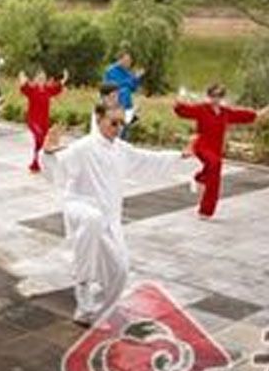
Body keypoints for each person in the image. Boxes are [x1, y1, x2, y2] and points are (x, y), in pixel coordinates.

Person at [42, 102, 193, 326]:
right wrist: (48, 152)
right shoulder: (83, 148)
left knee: (120, 272)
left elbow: (149, 159)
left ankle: (93, 312)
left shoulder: (121, 150)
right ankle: (83, 285)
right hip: (81, 207)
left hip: (109, 219)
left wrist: (180, 156)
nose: (119, 128)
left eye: (122, 123)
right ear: (99, 120)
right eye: (114, 123)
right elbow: (57, 167)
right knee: (92, 220)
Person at [174, 84, 268, 219]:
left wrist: (264, 111)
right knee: (215, 164)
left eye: (219, 96)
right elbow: (183, 111)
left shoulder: (225, 112)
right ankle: (205, 207)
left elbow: (248, 116)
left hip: (216, 149)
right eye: (213, 95)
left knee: (214, 172)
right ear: (209, 96)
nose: (216, 99)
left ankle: (201, 180)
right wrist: (178, 104)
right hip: (202, 146)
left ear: (222, 97)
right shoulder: (202, 109)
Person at [19, 68, 69, 173]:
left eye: (43, 78)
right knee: (41, 139)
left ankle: (35, 165)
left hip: (44, 121)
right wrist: (23, 80)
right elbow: (24, 88)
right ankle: (47, 162)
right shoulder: (32, 89)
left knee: (39, 144)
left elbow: (57, 88)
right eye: (39, 78)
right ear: (36, 79)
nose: (41, 80)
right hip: (33, 120)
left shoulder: (48, 90)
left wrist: (64, 79)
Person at [104, 48, 144, 136]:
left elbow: (133, 88)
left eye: (129, 61)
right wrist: (132, 79)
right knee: (116, 130)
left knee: (125, 131)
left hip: (126, 104)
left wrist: (137, 78)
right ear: (120, 60)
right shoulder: (111, 71)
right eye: (126, 60)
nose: (129, 63)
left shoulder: (128, 73)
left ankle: (130, 118)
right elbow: (115, 85)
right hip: (114, 102)